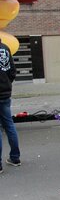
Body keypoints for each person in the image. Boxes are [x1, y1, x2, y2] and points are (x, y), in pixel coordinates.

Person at [0, 38, 21, 174]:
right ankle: (15, 158)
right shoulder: (6, 48)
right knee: (9, 125)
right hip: (5, 93)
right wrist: (7, 83)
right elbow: (13, 70)